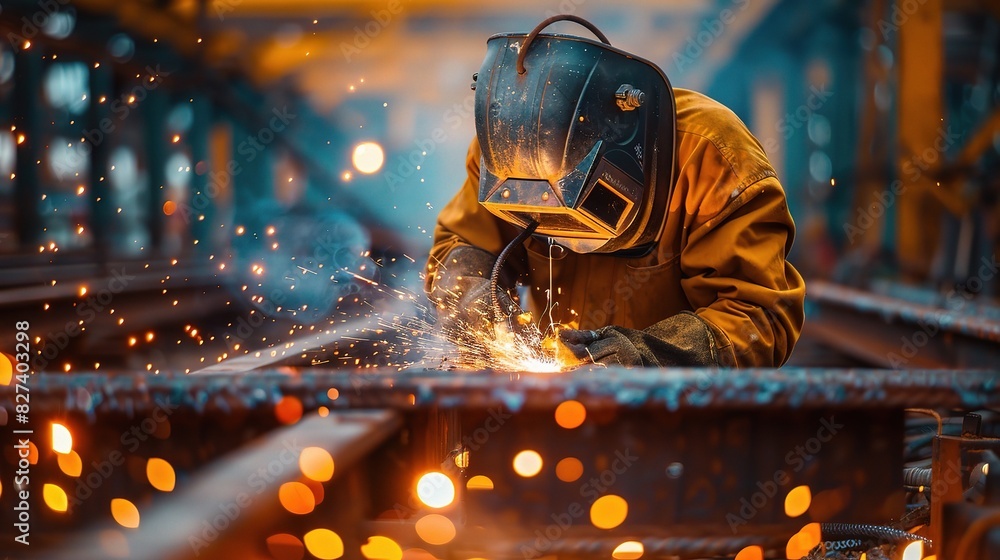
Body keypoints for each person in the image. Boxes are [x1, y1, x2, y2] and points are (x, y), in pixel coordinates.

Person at [424, 15, 805, 368]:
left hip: (681, 415)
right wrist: (473, 298)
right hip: (564, 406)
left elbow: (759, 316)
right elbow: (462, 244)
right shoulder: (505, 152)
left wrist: (647, 356)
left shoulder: (710, 157)